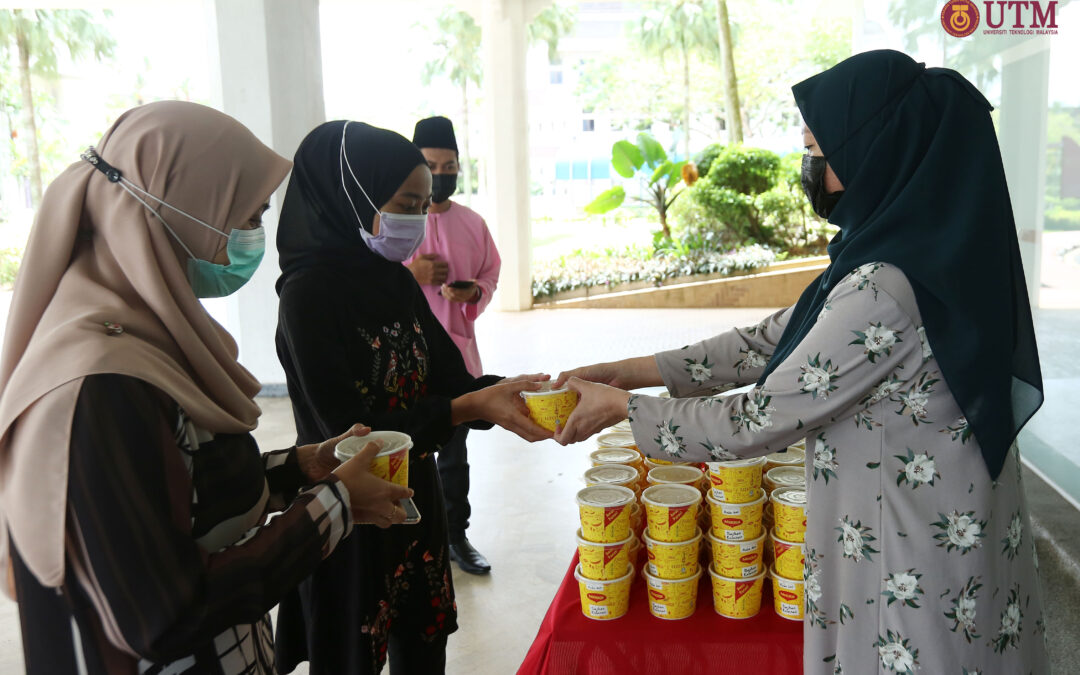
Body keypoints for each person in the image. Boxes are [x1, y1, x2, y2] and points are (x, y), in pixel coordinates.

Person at [554, 50, 1049, 674]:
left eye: (819, 151)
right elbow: (775, 339)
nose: (809, 168)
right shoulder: (919, 252)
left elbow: (758, 420)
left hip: (908, 556)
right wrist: (633, 370)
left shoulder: (886, 287)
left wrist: (625, 411)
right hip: (939, 528)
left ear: (878, 151)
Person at [0, 101, 413, 675]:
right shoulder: (100, 386)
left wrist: (301, 469)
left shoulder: (147, 342)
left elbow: (182, 493)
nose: (252, 239)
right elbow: (165, 615)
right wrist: (337, 504)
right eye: (244, 216)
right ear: (177, 212)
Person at [272, 120, 549, 675]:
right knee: (352, 655)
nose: (418, 221)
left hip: (414, 503)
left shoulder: (393, 279)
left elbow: (448, 375)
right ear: (354, 196)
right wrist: (467, 408)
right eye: (406, 203)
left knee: (423, 650)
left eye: (424, 205)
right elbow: (352, 433)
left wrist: (505, 394)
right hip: (352, 511)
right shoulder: (307, 297)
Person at [405, 115, 502, 575]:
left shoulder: (472, 223)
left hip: (458, 355)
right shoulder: (396, 221)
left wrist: (472, 293)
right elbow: (366, 276)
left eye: (449, 166)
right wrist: (413, 274)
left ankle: (456, 538)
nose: (441, 174)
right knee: (405, 451)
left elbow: (490, 272)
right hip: (405, 361)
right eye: (430, 165)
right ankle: (410, 539)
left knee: (455, 453)